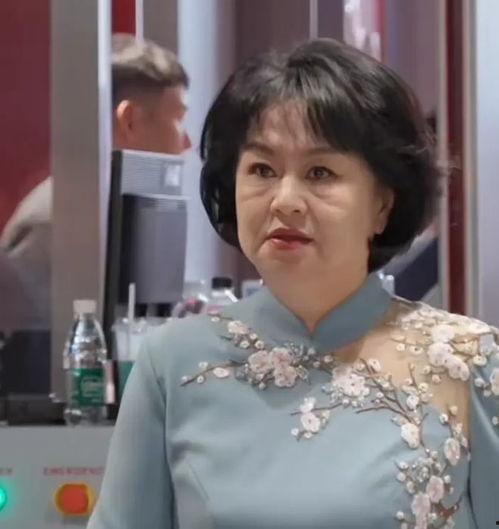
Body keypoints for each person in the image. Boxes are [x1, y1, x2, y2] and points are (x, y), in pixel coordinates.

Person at [88, 39, 499, 529]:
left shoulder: (469, 361)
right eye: (262, 170)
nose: (285, 200)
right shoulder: (172, 364)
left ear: (382, 204)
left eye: (320, 172)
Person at [0, 34, 191, 330]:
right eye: (179, 120)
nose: (187, 142)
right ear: (129, 120)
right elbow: (34, 351)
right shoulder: (54, 223)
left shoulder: (113, 212)